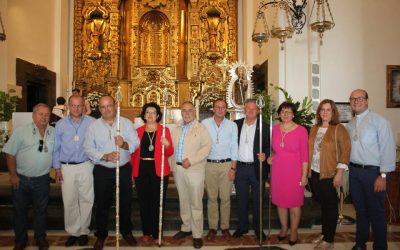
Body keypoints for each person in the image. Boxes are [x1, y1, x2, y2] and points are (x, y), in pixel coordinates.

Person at [83, 96, 140, 250]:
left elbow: (136, 143)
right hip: (102, 170)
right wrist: (105, 156)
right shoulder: (93, 126)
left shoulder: (126, 123)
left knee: (125, 202)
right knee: (102, 203)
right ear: (99, 109)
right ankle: (101, 234)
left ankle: (126, 231)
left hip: (123, 168)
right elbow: (88, 148)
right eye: (102, 107)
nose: (106, 109)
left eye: (109, 106)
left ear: (115, 106)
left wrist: (124, 144)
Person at [346, 89, 396, 250]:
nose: (356, 101)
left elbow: (388, 149)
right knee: (360, 211)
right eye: (353, 99)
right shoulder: (350, 124)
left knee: (376, 212)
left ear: (367, 100)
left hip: (373, 173)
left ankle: (380, 246)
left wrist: (383, 175)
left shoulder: (379, 121)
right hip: (354, 172)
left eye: (360, 98)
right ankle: (360, 244)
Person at [3, 103, 54, 250]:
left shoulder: (53, 132)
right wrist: (13, 175)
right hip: (22, 179)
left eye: (47, 115)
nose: (44, 117)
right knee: (19, 211)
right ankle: (20, 240)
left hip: (43, 179)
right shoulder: (21, 131)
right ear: (33, 115)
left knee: (41, 211)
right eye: (41, 114)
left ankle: (40, 238)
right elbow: (10, 153)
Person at [52, 95, 96, 247]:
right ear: (68, 106)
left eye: (79, 105)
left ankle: (83, 231)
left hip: (86, 165)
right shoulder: (60, 124)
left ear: (84, 106)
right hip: (67, 167)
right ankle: (73, 231)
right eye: (74, 105)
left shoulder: (92, 122)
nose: (77, 108)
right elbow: (56, 148)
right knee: (69, 200)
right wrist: (57, 168)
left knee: (86, 199)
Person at [308, 99, 351, 250]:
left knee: (331, 206)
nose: (325, 112)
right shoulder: (314, 128)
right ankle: (325, 233)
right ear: (319, 112)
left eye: (328, 110)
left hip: (329, 173)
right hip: (314, 173)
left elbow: (346, 151)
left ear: (333, 112)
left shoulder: (339, 128)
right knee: (323, 205)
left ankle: (329, 238)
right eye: (322, 109)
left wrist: (339, 173)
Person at [170, 101, 212, 249]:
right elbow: (171, 149)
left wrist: (192, 160)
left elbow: (207, 147)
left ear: (194, 112)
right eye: (184, 110)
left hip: (194, 169)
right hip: (179, 170)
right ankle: (186, 227)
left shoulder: (200, 128)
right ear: (181, 112)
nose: (187, 113)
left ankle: (197, 234)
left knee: (195, 202)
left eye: (190, 110)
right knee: (183, 200)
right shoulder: (175, 128)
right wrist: (172, 165)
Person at [130, 102, 174, 244]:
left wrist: (167, 145)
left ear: (158, 115)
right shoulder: (138, 131)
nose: (150, 115)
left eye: (153, 112)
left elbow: (169, 152)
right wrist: (132, 170)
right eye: (147, 112)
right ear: (144, 114)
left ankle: (157, 232)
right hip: (141, 168)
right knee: (144, 202)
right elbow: (133, 153)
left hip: (159, 170)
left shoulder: (164, 130)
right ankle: (146, 232)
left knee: (158, 202)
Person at [269, 101, 308, 246]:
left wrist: (304, 175)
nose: (286, 114)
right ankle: (284, 227)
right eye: (283, 111)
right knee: (280, 202)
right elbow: (273, 149)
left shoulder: (301, 130)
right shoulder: (274, 129)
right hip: (278, 171)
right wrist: (271, 157)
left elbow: (305, 155)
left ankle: (293, 230)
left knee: (294, 203)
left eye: (289, 112)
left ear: (294, 114)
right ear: (279, 114)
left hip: (295, 171)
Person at [233, 99, 270, 241]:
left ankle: (258, 228)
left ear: (258, 110)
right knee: (241, 199)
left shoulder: (264, 127)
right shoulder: (236, 125)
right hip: (241, 168)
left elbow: (269, 146)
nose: (250, 111)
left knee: (258, 200)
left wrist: (265, 154)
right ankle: (242, 227)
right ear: (244, 110)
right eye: (248, 108)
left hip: (257, 168)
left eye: (254, 109)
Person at [202, 99, 238, 241]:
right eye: (218, 107)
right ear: (213, 108)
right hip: (209, 165)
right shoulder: (204, 124)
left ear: (226, 110)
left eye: (223, 107)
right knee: (211, 198)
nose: (220, 109)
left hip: (226, 165)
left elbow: (234, 146)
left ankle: (224, 227)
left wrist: (233, 168)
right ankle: (212, 227)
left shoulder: (232, 125)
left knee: (225, 198)